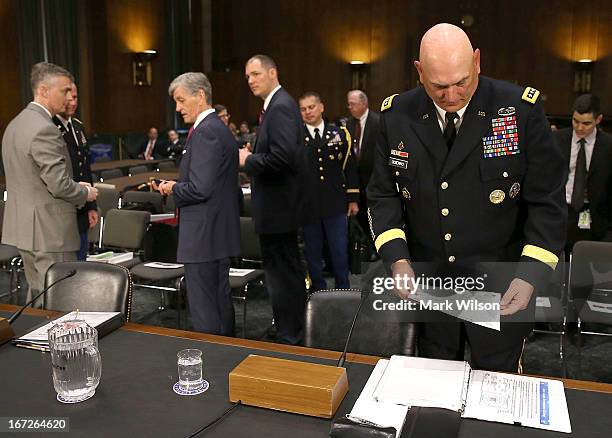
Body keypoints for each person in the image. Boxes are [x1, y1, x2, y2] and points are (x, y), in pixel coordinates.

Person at [367, 23, 566, 372]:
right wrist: (397, 259)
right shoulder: (396, 115)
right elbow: (383, 195)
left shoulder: (518, 110)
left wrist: (531, 273)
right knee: (436, 384)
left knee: (496, 383)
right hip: (430, 285)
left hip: (501, 286)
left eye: (462, 82)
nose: (452, 96)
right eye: (439, 86)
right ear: (419, 71)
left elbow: (547, 202)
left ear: (477, 61)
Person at [1, 62, 98, 305]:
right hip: (49, 230)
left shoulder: (16, 124)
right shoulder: (45, 128)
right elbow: (59, 185)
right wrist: (85, 193)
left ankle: (37, 343)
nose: (68, 97)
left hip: (25, 229)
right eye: (64, 91)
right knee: (58, 301)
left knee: (38, 298)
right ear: (43, 90)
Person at [156, 72, 240, 336]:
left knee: (206, 311)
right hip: (215, 234)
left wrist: (172, 188)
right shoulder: (217, 128)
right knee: (219, 303)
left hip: (204, 237)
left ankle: (213, 361)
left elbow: (200, 188)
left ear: (200, 96)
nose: (178, 108)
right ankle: (226, 358)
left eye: (181, 100)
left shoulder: (206, 132)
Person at [239, 54, 306, 344]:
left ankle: (291, 334)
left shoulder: (280, 107)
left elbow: (283, 158)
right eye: (248, 76)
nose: (251, 80)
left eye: (255, 74)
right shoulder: (275, 107)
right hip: (277, 209)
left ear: (272, 73)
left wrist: (248, 159)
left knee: (283, 276)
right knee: (280, 275)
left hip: (279, 210)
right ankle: (287, 327)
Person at [298, 91, 359, 291]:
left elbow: (349, 168)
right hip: (308, 205)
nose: (308, 112)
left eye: (311, 107)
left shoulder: (340, 134)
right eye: (303, 109)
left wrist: (353, 199)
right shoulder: (296, 136)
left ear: (321, 107)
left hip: (335, 203)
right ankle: (317, 291)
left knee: (339, 251)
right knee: (313, 252)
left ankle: (343, 289)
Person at [555, 94, 612, 253]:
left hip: (595, 217)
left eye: (586, 123)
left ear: (598, 119)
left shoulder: (608, 146)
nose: (579, 128)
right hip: (561, 212)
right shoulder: (557, 140)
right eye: (575, 121)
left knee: (586, 272)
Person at [52, 83, 99, 261]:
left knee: (81, 264)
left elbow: (84, 169)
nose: (72, 102)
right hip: (62, 209)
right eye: (67, 97)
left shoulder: (78, 127)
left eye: (75, 98)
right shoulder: (49, 128)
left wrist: (91, 206)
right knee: (65, 269)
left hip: (80, 209)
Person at [345, 90, 380, 257]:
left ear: (364, 104)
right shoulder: (348, 125)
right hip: (355, 181)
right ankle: (363, 248)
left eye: (353, 104)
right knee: (359, 217)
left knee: (373, 217)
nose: (350, 107)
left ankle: (376, 248)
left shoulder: (378, 122)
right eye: (349, 104)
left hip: (373, 179)